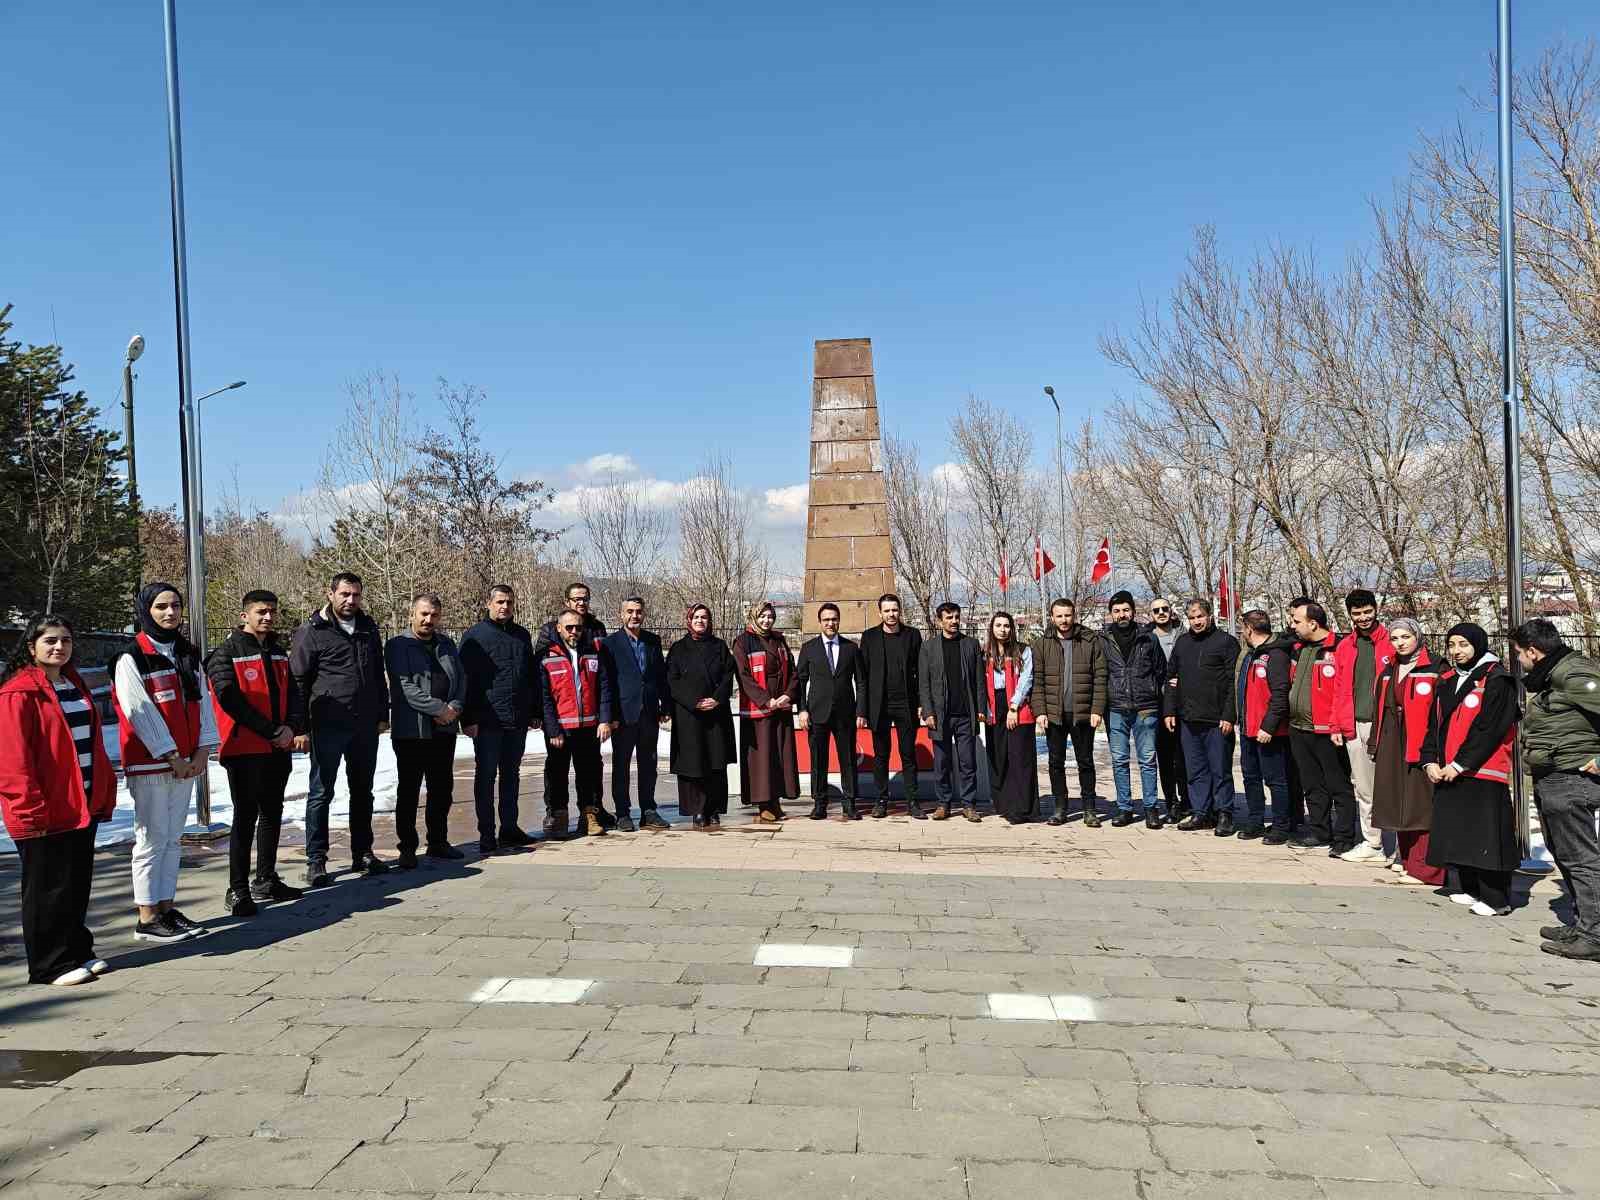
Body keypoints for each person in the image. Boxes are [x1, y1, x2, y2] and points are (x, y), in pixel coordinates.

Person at [0, 616, 116, 985]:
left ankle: (77, 949)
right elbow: (12, 759)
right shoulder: (18, 692)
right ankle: (49, 965)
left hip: (79, 803)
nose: (59, 647)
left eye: (66, 640)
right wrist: (29, 808)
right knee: (47, 889)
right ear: (31, 646)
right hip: (42, 808)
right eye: (50, 640)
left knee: (75, 882)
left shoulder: (72, 683)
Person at [115, 582, 220, 941]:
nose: (170, 612)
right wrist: (171, 755)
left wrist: (203, 750)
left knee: (173, 838)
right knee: (151, 838)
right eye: (161, 606)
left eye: (175, 605)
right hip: (153, 763)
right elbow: (138, 712)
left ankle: (166, 908)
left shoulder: (187, 653)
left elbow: (204, 703)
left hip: (189, 762)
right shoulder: (132, 657)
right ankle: (146, 916)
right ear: (146, 610)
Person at [205, 590, 306, 916]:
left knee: (272, 812)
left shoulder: (277, 652)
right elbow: (230, 700)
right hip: (244, 748)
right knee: (245, 817)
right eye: (261, 611)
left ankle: (266, 878)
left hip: (277, 748)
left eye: (272, 611)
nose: (268, 617)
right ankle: (237, 889)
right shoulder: (226, 654)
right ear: (244, 615)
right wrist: (272, 730)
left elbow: (293, 692)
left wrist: (291, 727)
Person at [291, 571, 391, 886]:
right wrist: (300, 727)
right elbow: (298, 681)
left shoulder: (368, 627)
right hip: (327, 726)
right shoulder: (312, 631)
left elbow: (378, 672)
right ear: (331, 593)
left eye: (356, 595)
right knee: (322, 792)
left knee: (363, 791)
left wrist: (381, 712)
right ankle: (316, 860)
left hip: (364, 726)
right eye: (345, 594)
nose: (351, 601)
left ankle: (363, 852)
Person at [1513, 618, 1600, 960]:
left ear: (1534, 651)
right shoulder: (1554, 674)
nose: (1518, 660)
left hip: (1572, 778)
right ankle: (1584, 923)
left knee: (1581, 859)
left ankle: (1595, 935)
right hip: (1553, 775)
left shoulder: (1573, 673)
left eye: (1520, 653)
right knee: (1564, 853)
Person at [1422, 623, 1520, 917]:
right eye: (1452, 645)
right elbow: (1434, 726)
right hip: (1449, 769)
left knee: (1485, 835)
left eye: (1463, 644)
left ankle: (1496, 898)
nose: (1457, 651)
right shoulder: (1449, 680)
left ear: (1478, 644)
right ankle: (1469, 887)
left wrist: (1460, 763)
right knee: (1459, 832)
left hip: (1482, 770)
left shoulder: (1497, 679)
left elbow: (1489, 729)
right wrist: (1430, 760)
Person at [385, 593, 466, 867]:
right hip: (412, 731)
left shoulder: (447, 644)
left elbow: (461, 680)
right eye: (423, 614)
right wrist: (438, 709)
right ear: (412, 614)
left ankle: (438, 841)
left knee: (442, 788)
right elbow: (405, 687)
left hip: (444, 731)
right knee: (409, 791)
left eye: (433, 615)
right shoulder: (398, 645)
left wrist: (454, 706)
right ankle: (407, 847)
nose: (428, 619)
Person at [460, 585, 538, 853]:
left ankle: (509, 828)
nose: (505, 607)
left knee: (511, 776)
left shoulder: (521, 635)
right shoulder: (474, 637)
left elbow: (530, 676)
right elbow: (465, 682)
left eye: (509, 602)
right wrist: (467, 719)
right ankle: (486, 834)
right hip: (486, 720)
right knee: (486, 778)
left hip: (516, 720)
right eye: (500, 602)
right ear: (489, 603)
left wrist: (534, 711)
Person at [1367, 618, 1441, 886]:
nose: (1399, 643)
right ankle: (1407, 861)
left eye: (1405, 637)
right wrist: (1375, 743)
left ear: (1417, 637)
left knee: (1420, 804)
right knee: (1398, 801)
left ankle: (1426, 868)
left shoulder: (1435, 668)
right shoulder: (1389, 670)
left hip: (1420, 743)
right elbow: (1379, 708)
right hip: (1392, 741)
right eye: (1395, 638)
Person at [1286, 599, 1358, 855]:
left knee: (1338, 784)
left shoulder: (1339, 647)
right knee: (1312, 784)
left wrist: (1339, 724)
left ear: (1313, 623)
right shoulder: (1298, 648)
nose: (1292, 625)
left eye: (1297, 621)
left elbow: (1344, 689)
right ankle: (1319, 830)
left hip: (1328, 729)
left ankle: (1344, 836)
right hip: (1298, 727)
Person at [1163, 599, 1240, 834]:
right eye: (1192, 617)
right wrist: (1169, 709)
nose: (1196, 621)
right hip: (1188, 718)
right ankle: (1201, 813)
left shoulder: (1226, 643)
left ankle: (1224, 813)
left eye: (1200, 617)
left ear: (1210, 617)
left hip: (1217, 720)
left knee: (1220, 769)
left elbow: (1232, 684)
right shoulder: (1183, 643)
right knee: (1195, 770)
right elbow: (1171, 678)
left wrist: (1229, 715)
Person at [540, 607, 617, 838]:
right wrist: (552, 728)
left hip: (589, 728)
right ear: (559, 628)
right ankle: (559, 816)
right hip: (561, 730)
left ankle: (589, 816)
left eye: (579, 627)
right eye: (569, 627)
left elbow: (604, 688)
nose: (574, 631)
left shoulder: (594, 652)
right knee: (557, 774)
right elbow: (544, 697)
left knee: (589, 774)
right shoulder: (547, 655)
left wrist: (604, 720)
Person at [1096, 590, 1167, 830]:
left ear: (1133, 612)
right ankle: (1124, 808)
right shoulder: (1103, 641)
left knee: (1147, 759)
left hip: (1145, 707)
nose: (1121, 614)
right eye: (1116, 611)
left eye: (1126, 610)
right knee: (1119, 760)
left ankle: (1151, 808)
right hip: (1116, 707)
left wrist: (1151, 693)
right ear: (1110, 615)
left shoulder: (1149, 639)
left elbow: (1160, 671)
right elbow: (1100, 673)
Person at [1034, 598, 1106, 826]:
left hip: (1083, 713)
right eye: (1059, 616)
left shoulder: (1089, 640)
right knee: (1056, 762)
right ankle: (1060, 808)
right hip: (1054, 715)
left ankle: (1089, 809)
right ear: (1052, 617)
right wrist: (1040, 711)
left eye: (1068, 615)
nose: (1064, 620)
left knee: (1085, 761)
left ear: (1074, 615)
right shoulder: (1042, 644)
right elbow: (1038, 682)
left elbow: (1100, 677)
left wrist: (1097, 709)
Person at [1333, 588, 1393, 863]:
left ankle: (1401, 847)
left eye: (1367, 612)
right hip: (1354, 724)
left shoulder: (1392, 641)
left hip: (1388, 725)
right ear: (1350, 615)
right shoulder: (1346, 646)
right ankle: (1373, 843)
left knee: (1393, 785)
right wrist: (1337, 725)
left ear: (1376, 609)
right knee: (1364, 787)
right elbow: (1339, 688)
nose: (1363, 618)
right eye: (1357, 614)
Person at [605, 597, 672, 832]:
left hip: (649, 712)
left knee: (649, 763)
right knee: (621, 765)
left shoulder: (652, 641)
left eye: (639, 612)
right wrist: (609, 715)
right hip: (623, 715)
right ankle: (623, 813)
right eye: (630, 612)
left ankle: (648, 810)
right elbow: (608, 683)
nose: (635, 616)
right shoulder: (610, 643)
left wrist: (666, 706)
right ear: (621, 614)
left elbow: (660, 676)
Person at [667, 604, 737, 829]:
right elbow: (672, 680)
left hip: (716, 713)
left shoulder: (720, 646)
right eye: (696, 617)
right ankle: (697, 810)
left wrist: (716, 699)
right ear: (689, 620)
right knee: (693, 764)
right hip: (689, 715)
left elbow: (728, 675)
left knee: (716, 763)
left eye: (704, 617)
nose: (700, 621)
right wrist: (694, 702)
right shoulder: (678, 648)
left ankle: (714, 809)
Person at [796, 603, 867, 821]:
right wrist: (802, 709)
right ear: (820, 622)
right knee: (818, 760)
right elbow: (800, 682)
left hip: (845, 714)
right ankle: (819, 803)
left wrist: (860, 711)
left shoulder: (851, 648)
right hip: (817, 713)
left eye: (834, 619)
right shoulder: (809, 648)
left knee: (847, 760)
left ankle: (850, 803)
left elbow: (861, 682)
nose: (830, 623)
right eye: (826, 619)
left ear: (839, 621)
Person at [732, 599, 799, 824]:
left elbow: (793, 671)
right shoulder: (743, 642)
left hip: (781, 706)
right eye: (762, 616)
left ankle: (776, 800)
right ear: (753, 617)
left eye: (770, 616)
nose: (766, 620)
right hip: (759, 708)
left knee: (780, 756)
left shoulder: (780, 641)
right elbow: (744, 677)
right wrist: (766, 700)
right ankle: (763, 803)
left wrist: (787, 695)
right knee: (761, 758)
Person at [918, 602, 986, 822]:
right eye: (949, 618)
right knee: (942, 763)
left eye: (957, 617)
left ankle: (969, 805)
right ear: (940, 621)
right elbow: (924, 684)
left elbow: (979, 681)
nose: (954, 621)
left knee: (968, 762)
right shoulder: (928, 648)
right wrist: (928, 712)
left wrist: (981, 708)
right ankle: (943, 804)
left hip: (965, 714)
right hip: (940, 715)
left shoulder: (971, 644)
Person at [859, 594, 923, 819]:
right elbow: (863, 677)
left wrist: (921, 704)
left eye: (894, 610)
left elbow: (920, 673)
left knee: (908, 754)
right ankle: (881, 800)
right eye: (887, 611)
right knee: (881, 755)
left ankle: (913, 802)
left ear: (900, 611)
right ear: (880, 613)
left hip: (906, 704)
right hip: (879, 706)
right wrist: (862, 710)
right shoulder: (869, 637)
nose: (891, 615)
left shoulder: (913, 635)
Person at [1236, 610, 1293, 843]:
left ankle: (1281, 825)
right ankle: (1255, 821)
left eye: (1242, 628)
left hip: (1268, 732)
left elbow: (1280, 695)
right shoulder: (1251, 654)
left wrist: (1268, 727)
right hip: (1248, 728)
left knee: (1275, 779)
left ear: (1250, 628)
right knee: (1250, 777)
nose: (1241, 633)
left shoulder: (1276, 655)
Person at [983, 612, 1038, 824]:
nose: (1003, 629)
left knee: (1020, 758)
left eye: (1007, 625)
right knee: (1000, 757)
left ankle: (1023, 808)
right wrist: (986, 709)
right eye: (998, 625)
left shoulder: (1023, 650)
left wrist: (1014, 707)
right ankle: (1005, 804)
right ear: (992, 628)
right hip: (994, 708)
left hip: (1017, 706)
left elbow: (1026, 679)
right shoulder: (985, 652)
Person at [1148, 597, 1189, 819]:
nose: (1161, 612)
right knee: (1165, 757)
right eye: (1157, 610)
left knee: (1185, 757)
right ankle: (1171, 801)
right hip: (1159, 704)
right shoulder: (1147, 638)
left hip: (1185, 704)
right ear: (1151, 614)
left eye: (1165, 608)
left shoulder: (1184, 634)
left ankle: (1188, 800)